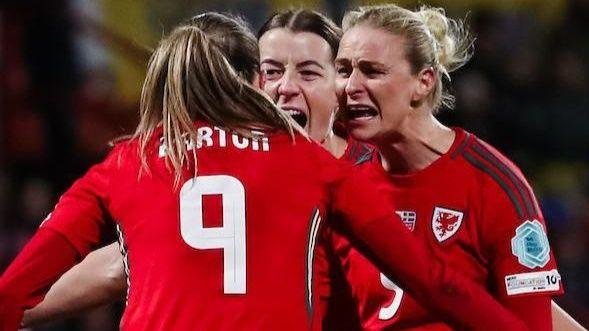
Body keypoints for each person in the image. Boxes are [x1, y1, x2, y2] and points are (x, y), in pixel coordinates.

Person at [0, 11, 532, 331]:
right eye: (272, 72)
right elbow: (127, 262)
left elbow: (481, 290)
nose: (284, 89)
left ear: (338, 89)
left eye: (310, 72)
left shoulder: (371, 177)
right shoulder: (302, 173)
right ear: (248, 83)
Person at [328, 4, 565, 330]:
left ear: (424, 82)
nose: (350, 86)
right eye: (343, 70)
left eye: (372, 71)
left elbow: (533, 323)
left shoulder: (494, 186)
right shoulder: (343, 182)